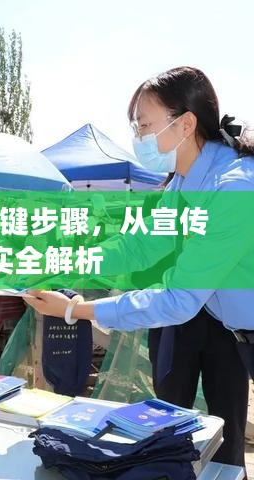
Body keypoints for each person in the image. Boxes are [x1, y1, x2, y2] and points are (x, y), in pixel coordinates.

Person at [25, 66, 254, 470]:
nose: (139, 138)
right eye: (135, 127)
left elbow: (179, 300)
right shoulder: (184, 183)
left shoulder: (232, 188)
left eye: (145, 125)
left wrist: (74, 309)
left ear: (185, 124)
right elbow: (140, 246)